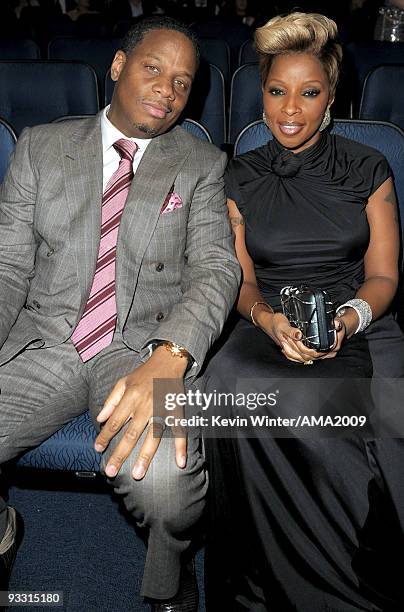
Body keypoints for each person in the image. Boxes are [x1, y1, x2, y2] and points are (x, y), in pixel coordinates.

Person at [0, 16, 240, 611]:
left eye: (183, 82)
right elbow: (6, 267)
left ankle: (169, 573)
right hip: (46, 340)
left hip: (143, 351)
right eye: (153, 68)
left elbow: (217, 269)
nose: (167, 89)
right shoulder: (41, 146)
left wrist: (172, 355)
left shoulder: (201, 163)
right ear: (117, 66)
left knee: (168, 490)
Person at [202, 12, 404, 611]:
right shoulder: (236, 175)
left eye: (309, 92)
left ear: (331, 97)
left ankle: (343, 588)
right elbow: (239, 281)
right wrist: (265, 319)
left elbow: (386, 275)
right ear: (259, 92)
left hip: (358, 318)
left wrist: (347, 320)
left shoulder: (369, 167)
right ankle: (258, 585)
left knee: (343, 416)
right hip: (267, 321)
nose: (290, 108)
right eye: (276, 90)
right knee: (222, 387)